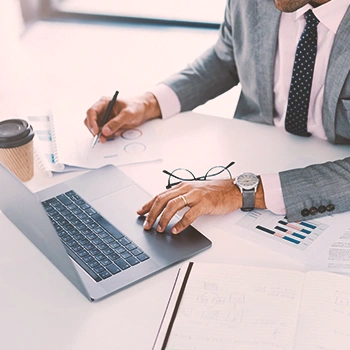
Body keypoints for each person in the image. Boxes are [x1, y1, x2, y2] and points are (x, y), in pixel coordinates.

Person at [84, 0, 350, 235]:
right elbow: (227, 58)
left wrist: (241, 191)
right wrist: (150, 102)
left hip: (328, 183)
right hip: (251, 155)